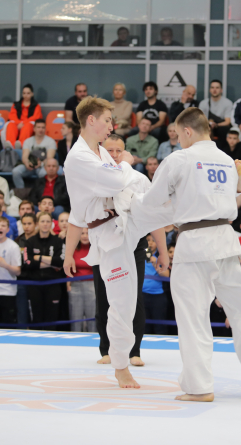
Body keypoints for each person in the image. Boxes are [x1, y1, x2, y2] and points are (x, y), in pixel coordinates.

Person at [132, 106, 241, 401]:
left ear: (186, 131)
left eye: (177, 134)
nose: (177, 140)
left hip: (194, 243)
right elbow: (230, 195)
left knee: (193, 318)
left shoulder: (180, 158)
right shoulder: (226, 160)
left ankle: (199, 388)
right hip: (226, 240)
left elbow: (153, 201)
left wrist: (130, 200)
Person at [62, 97, 169, 388]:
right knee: (123, 302)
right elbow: (115, 183)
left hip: (128, 218)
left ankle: (223, 196)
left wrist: (126, 169)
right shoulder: (79, 157)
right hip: (109, 234)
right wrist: (128, 163)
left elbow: (125, 182)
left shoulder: (100, 152)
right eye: (107, 120)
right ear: (91, 120)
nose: (112, 125)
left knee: (167, 200)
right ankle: (121, 365)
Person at [90, 133, 151, 367]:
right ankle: (106, 349)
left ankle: (134, 351)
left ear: (126, 152)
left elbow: (153, 217)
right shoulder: (95, 178)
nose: (114, 155)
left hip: (135, 243)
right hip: (104, 243)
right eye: (110, 150)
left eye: (119, 151)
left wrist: (163, 251)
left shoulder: (139, 179)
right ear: (101, 152)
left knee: (134, 296)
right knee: (103, 296)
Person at [12, 119, 57, 189]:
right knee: (15, 171)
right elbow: (25, 156)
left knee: (44, 173)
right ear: (34, 129)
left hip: (43, 166)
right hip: (30, 166)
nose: (40, 130)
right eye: (38, 127)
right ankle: (21, 191)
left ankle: (42, 192)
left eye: (43, 127)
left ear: (45, 129)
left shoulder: (51, 141)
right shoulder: (28, 141)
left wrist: (41, 164)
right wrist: (27, 163)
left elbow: (49, 158)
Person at [142, 233, 168, 335]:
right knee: (144, 326)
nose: (150, 243)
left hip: (157, 296)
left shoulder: (161, 256)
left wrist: (155, 263)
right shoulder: (138, 256)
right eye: (148, 240)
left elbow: (166, 275)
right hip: (142, 295)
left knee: (160, 327)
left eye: (153, 241)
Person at [4, 83, 43, 148]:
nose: (26, 95)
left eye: (28, 93)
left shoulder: (36, 106)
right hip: (17, 124)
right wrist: (19, 123)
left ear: (32, 94)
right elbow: (12, 115)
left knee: (27, 126)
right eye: (24, 93)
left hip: (28, 124)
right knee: (10, 124)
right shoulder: (16, 105)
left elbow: (36, 117)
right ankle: (10, 144)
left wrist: (23, 123)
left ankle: (21, 144)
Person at [199, 79, 233, 145]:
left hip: (221, 127)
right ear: (210, 90)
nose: (214, 90)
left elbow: (227, 122)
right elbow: (200, 120)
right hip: (207, 126)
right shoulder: (203, 103)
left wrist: (216, 125)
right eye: (212, 87)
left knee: (224, 129)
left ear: (221, 90)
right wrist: (209, 123)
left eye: (217, 88)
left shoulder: (228, 103)